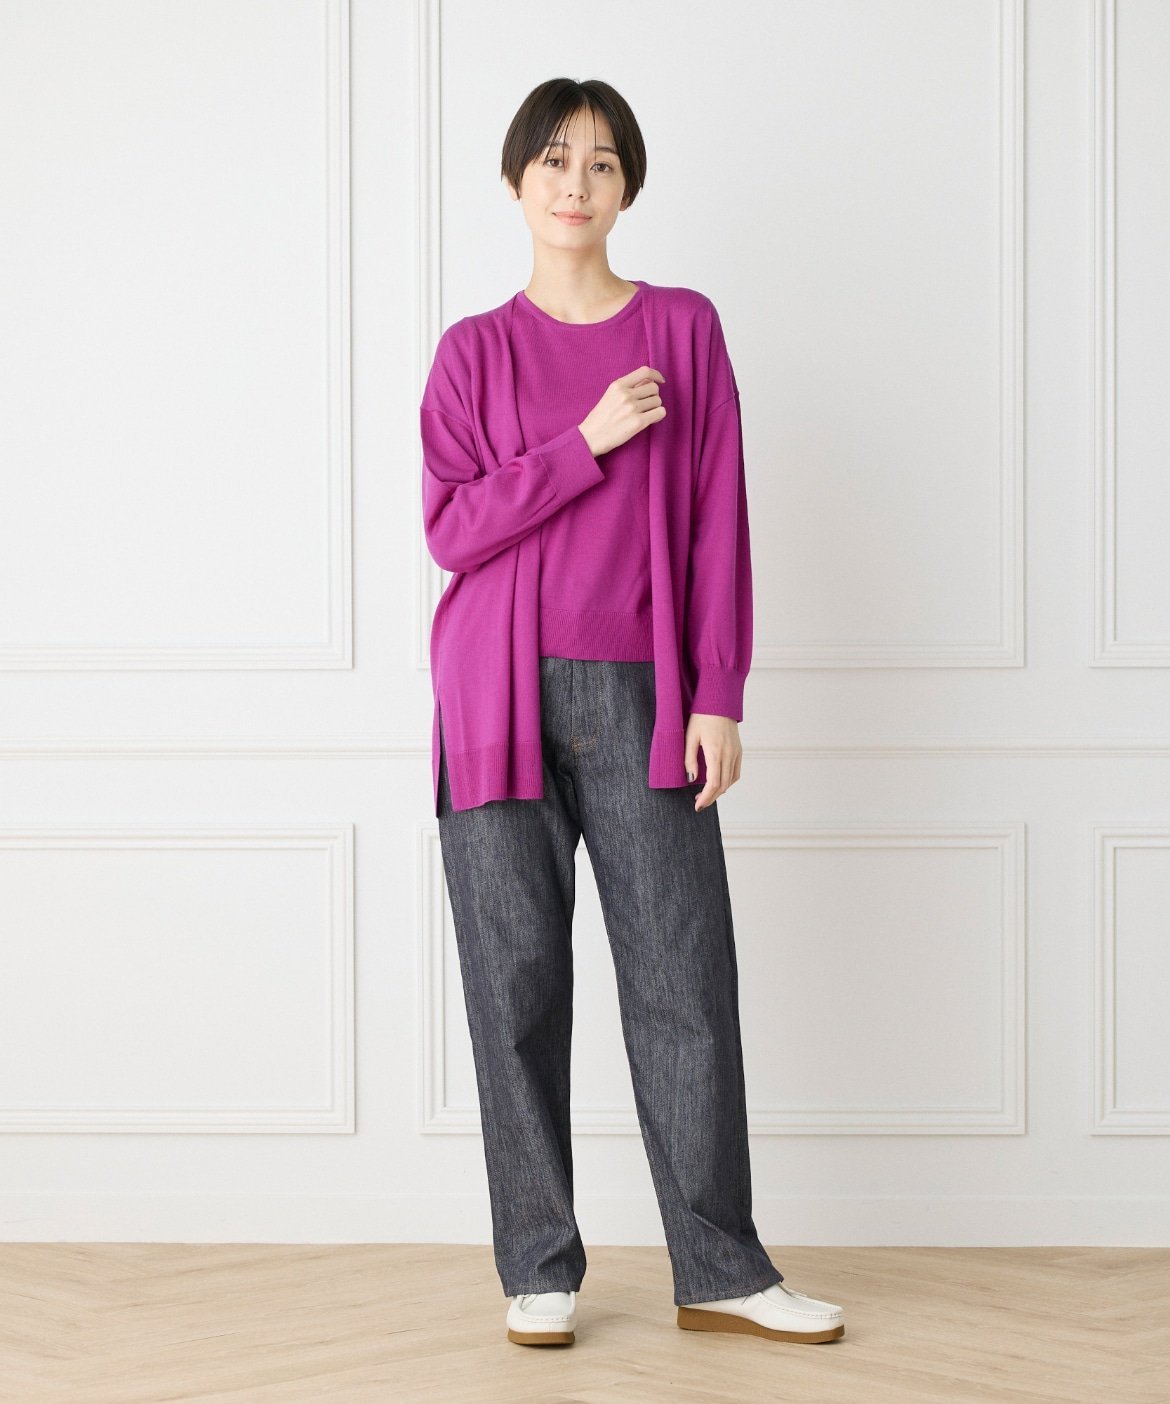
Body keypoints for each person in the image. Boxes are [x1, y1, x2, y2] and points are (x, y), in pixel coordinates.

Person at [420, 76, 844, 1349]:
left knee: (683, 982)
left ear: (627, 187)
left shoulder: (683, 329)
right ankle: (538, 1267)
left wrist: (719, 693)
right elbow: (451, 528)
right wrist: (585, 442)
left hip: (646, 696)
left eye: (601, 163)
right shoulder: (472, 353)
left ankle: (721, 1268)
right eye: (554, 160)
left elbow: (718, 521)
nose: (575, 184)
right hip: (492, 698)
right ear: (516, 181)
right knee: (514, 989)